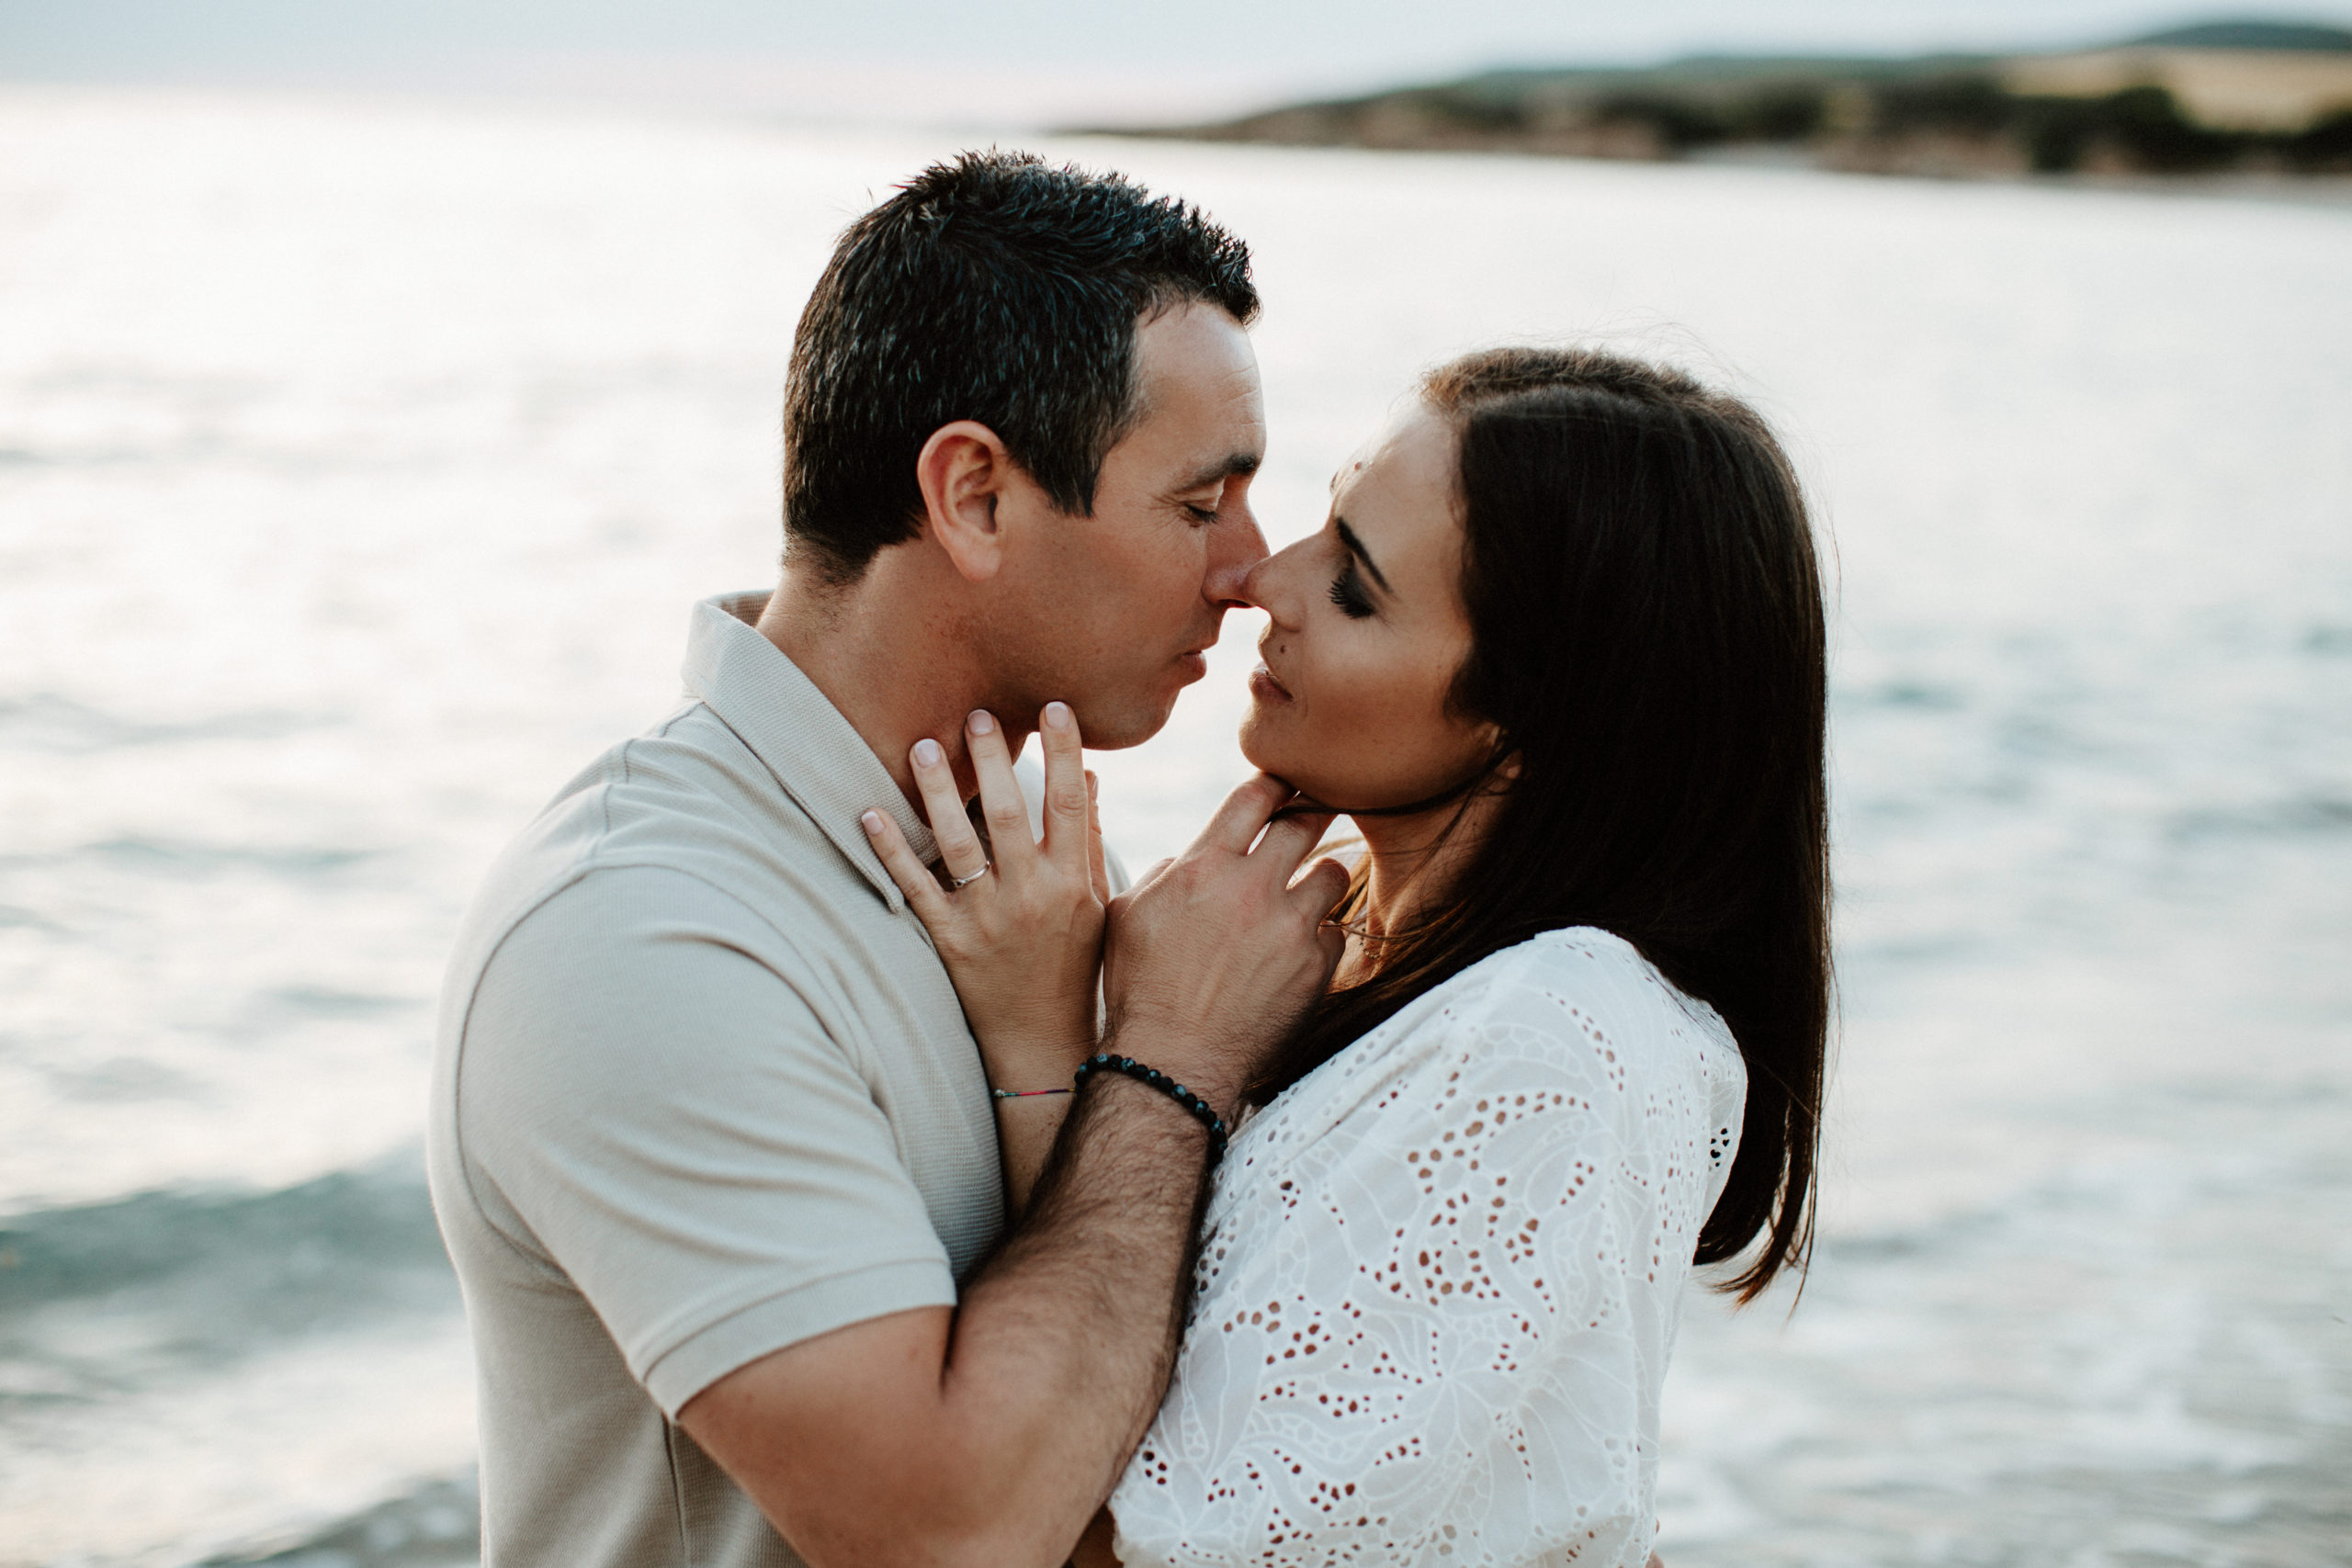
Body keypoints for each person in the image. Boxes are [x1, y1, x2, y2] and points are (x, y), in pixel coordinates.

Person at [426, 151, 1353, 1568]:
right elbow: (950, 1536)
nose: (1252, 565)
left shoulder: (1025, 875)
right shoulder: (641, 933)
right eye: (1199, 502)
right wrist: (1169, 1069)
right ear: (974, 496)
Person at [866, 346, 1833, 1566]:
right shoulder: (1330, 968)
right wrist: (1080, 1024)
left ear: (1535, 729)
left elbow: (1092, 1545)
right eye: (1325, 527)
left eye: (1358, 588)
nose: (1264, 579)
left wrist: (1118, 1049)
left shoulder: (1564, 1033)